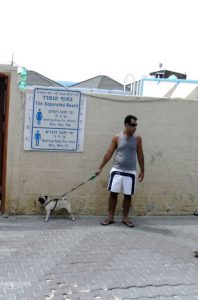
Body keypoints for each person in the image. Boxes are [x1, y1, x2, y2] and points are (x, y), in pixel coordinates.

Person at [96, 115, 144, 227]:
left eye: (136, 125)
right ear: (126, 124)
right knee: (113, 194)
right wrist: (100, 168)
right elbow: (109, 153)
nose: (135, 127)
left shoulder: (137, 139)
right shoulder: (117, 137)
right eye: (132, 125)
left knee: (128, 195)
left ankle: (125, 218)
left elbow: (140, 155)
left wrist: (142, 170)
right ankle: (110, 217)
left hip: (130, 171)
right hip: (116, 170)